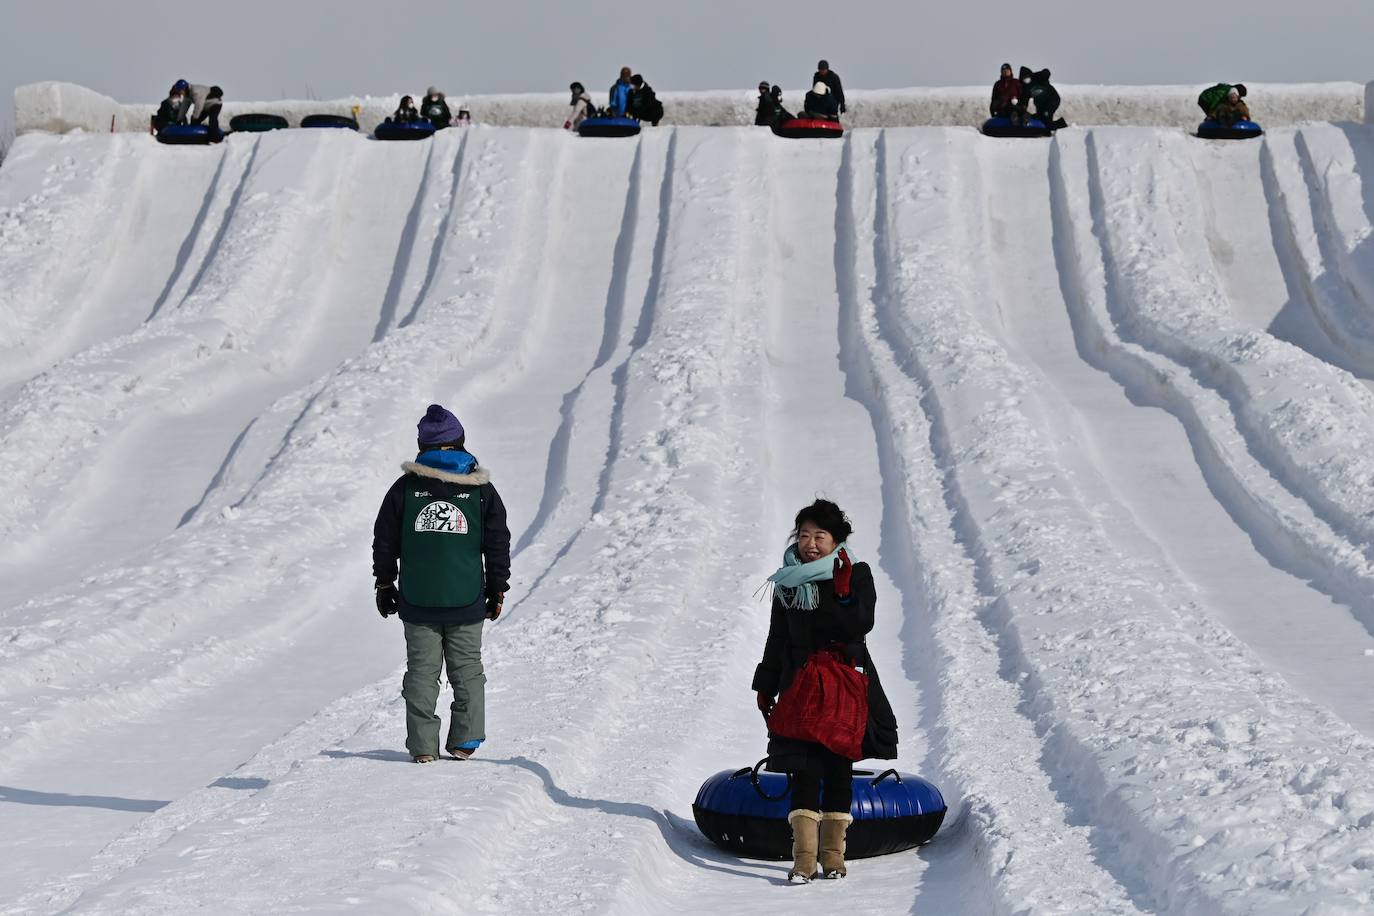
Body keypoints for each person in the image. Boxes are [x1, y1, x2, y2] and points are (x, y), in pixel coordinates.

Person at [753, 499, 898, 882]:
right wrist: (765, 684)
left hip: (843, 683)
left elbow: (860, 625)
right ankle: (803, 860)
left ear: (837, 540)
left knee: (837, 767)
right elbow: (777, 637)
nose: (811, 544)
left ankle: (833, 858)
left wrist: (843, 592)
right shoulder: (788, 580)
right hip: (801, 683)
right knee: (804, 767)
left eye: (820, 536)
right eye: (804, 535)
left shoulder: (856, 574)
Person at [372, 404, 512, 764]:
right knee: (467, 671)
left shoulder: (404, 490)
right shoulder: (482, 492)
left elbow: (385, 541)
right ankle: (464, 741)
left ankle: (422, 746)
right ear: (460, 442)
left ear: (422, 446)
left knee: (421, 673)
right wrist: (497, 588)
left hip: (417, 602)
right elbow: (497, 543)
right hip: (466, 600)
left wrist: (385, 584)